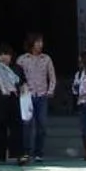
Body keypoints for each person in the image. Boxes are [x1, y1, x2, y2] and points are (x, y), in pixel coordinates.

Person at [17, 32, 57, 162]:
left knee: (42, 124)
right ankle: (26, 152)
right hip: (27, 95)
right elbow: (16, 77)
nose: (40, 44)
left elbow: (52, 77)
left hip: (41, 95)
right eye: (37, 42)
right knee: (26, 125)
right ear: (31, 43)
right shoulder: (22, 59)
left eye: (41, 42)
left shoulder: (46, 59)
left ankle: (38, 152)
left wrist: (50, 90)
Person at [0, 44, 26, 164]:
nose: (4, 57)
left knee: (16, 130)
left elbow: (22, 82)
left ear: (11, 56)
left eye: (6, 54)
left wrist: (21, 88)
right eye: (1, 54)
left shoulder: (17, 69)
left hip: (13, 101)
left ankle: (19, 155)